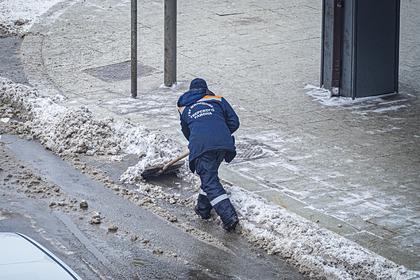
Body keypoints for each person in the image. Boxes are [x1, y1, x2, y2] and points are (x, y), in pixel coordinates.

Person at [177, 78, 240, 232]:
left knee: (210, 181)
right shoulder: (218, 100)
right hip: (223, 144)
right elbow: (234, 122)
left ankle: (229, 216)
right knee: (209, 176)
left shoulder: (185, 107)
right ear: (206, 90)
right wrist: (220, 133)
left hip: (202, 145)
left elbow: (187, 132)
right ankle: (203, 208)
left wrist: (201, 139)